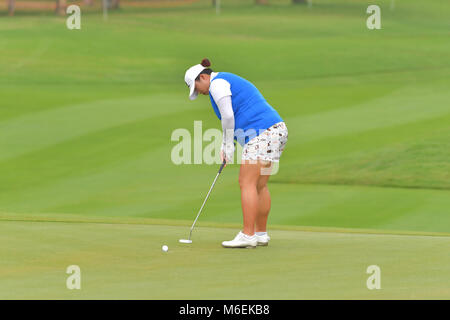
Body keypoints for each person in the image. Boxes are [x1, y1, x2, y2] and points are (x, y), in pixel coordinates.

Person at [184, 58, 288, 248]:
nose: (199, 92)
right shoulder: (223, 82)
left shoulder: (218, 84)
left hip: (262, 133)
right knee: (259, 185)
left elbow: (228, 116)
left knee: (246, 182)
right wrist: (229, 145)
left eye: (197, 87)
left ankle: (248, 235)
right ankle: (260, 234)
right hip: (276, 131)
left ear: (203, 77)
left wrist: (227, 145)